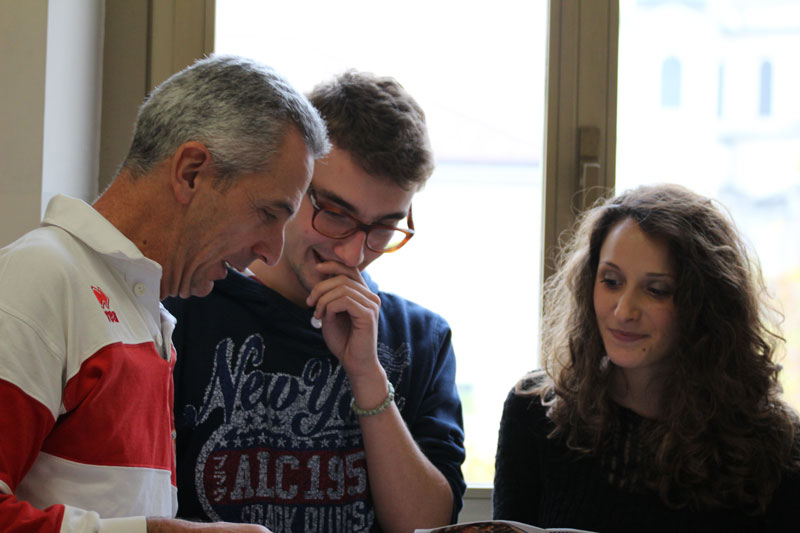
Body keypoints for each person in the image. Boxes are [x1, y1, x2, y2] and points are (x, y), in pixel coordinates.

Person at [0, 54, 329, 533]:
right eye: (266, 214)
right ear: (191, 172)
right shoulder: (39, 276)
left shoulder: (143, 308)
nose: (271, 251)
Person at [165, 70, 466, 533]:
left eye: (383, 228)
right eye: (336, 214)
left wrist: (367, 376)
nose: (353, 253)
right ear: (292, 181)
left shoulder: (422, 338)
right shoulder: (184, 307)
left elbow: (426, 525)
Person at [493, 183, 800, 532]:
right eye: (611, 281)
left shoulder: (774, 445)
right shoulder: (533, 412)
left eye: (656, 290)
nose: (624, 311)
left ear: (705, 307)